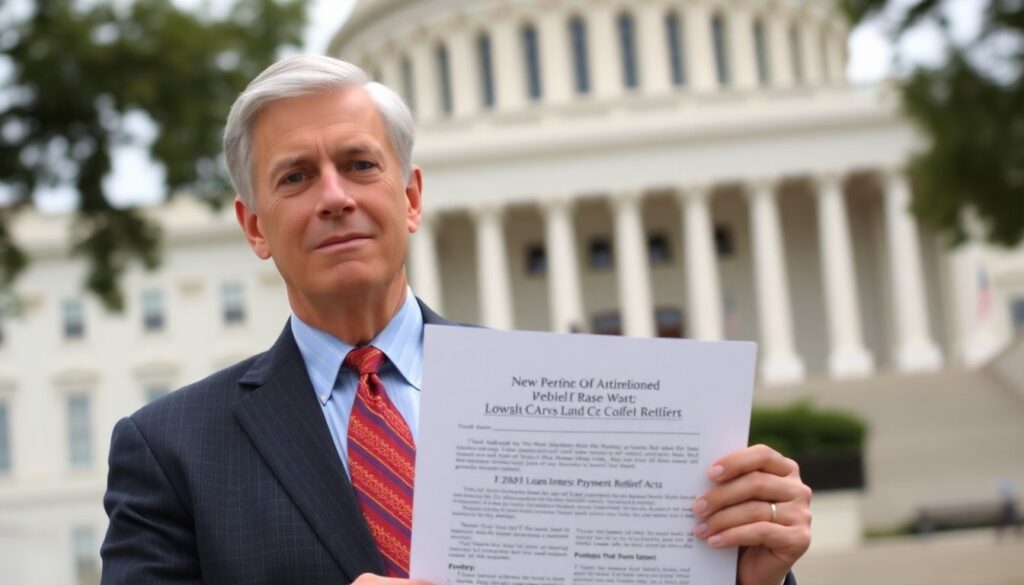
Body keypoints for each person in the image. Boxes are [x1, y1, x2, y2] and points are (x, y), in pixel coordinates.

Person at [100, 55, 812, 585]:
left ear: (410, 197)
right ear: (254, 226)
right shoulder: (172, 451)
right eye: (296, 176)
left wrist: (752, 577)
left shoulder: (567, 400)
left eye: (358, 164)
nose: (335, 196)